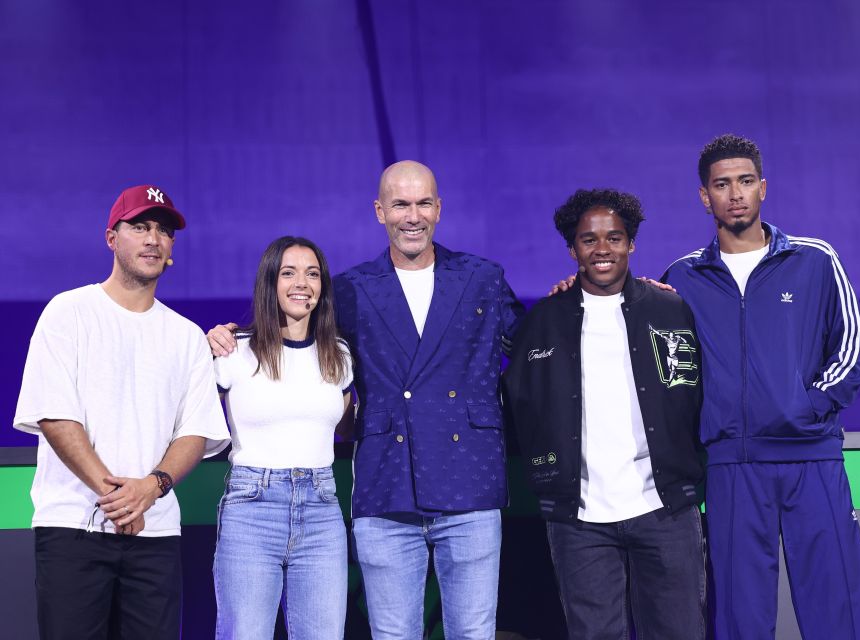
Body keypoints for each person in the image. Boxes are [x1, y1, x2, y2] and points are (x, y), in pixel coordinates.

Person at [207, 161, 525, 639]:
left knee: (474, 631)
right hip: (386, 485)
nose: (412, 216)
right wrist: (231, 334)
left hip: (469, 483)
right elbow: (294, 339)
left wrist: (584, 296)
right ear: (380, 211)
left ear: (439, 209)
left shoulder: (481, 277)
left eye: (422, 203)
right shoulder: (352, 290)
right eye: (400, 204)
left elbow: (533, 348)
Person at [661, 134, 860, 639]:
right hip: (732, 467)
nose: (735, 193)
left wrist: (809, 407)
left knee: (835, 603)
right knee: (740, 617)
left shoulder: (815, 259)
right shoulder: (682, 277)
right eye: (722, 184)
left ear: (763, 188)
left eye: (745, 181)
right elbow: (674, 376)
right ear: (704, 196)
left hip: (811, 458)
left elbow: (852, 344)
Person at [13, 185, 230, 639]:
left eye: (164, 231)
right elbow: (55, 416)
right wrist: (117, 498)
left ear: (172, 249)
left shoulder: (185, 336)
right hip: (74, 526)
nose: (154, 239)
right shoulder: (67, 312)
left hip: (154, 535)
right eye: (140, 226)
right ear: (112, 237)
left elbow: (195, 431)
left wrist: (150, 490)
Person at [504, 189, 706, 640]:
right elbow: (521, 405)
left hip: (665, 509)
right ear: (572, 248)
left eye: (614, 237)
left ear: (631, 243)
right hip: (580, 520)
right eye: (589, 239)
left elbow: (698, 395)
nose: (602, 249)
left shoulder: (670, 310)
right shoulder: (544, 320)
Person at [212, 237, 353, 639]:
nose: (301, 283)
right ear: (270, 282)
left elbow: (346, 424)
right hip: (252, 508)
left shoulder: (338, 354)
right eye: (288, 272)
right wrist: (205, 347)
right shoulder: (233, 350)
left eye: (312, 274)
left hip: (323, 510)